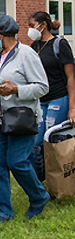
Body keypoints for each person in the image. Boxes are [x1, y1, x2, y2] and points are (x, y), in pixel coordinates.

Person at [0, 14, 50, 226]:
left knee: (17, 162)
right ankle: (4, 211)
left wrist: (16, 89)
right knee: (0, 166)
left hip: (21, 119)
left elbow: (42, 86)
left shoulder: (26, 54)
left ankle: (39, 197)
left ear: (0, 35)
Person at [27, 11, 75, 181]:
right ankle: (41, 181)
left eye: (32, 26)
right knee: (36, 142)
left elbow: (70, 77)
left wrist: (72, 108)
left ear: (43, 25)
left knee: (51, 140)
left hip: (58, 98)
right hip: (40, 100)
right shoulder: (34, 46)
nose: (30, 30)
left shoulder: (59, 44)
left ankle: (58, 181)